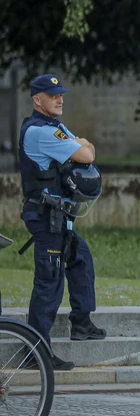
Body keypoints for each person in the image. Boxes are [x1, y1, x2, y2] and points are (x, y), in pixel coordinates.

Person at [18, 74, 107, 371]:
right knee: (49, 282)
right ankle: (36, 352)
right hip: (45, 217)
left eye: (61, 94)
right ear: (37, 100)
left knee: (80, 259)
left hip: (59, 216)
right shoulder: (40, 131)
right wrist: (79, 143)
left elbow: (88, 152)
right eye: (53, 95)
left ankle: (81, 323)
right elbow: (85, 152)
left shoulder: (54, 127)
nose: (60, 99)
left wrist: (81, 144)